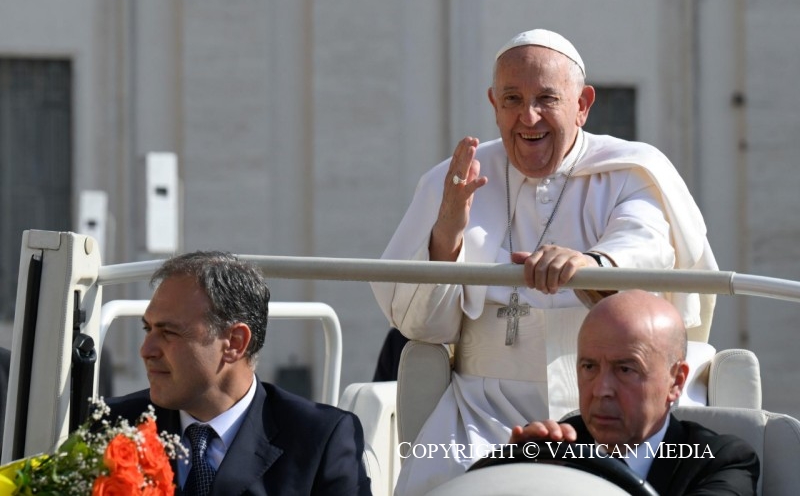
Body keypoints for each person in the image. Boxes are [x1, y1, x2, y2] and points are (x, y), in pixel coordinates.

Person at [371, 28, 717, 494]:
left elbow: (647, 242)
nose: (527, 117)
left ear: (583, 103)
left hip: (611, 408)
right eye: (512, 99)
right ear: (494, 104)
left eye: (546, 99)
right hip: (483, 410)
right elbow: (419, 325)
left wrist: (590, 264)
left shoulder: (632, 170)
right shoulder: (454, 180)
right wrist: (447, 234)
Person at [104, 251, 372, 496]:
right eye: (147, 329)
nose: (146, 350)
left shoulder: (319, 439)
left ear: (234, 342)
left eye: (169, 333)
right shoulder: (111, 428)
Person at [500, 290, 759, 495]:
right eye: (589, 367)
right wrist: (513, 478)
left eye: (625, 370)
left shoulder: (719, 462)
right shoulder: (554, 452)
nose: (602, 390)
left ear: (676, 381)